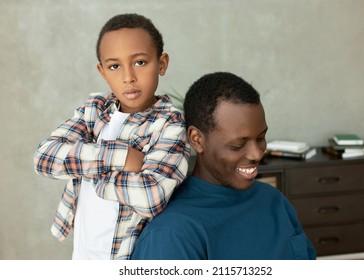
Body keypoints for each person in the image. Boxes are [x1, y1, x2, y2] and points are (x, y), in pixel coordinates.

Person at [33, 13, 190, 260]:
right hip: (83, 255)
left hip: (125, 258)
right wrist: (123, 156)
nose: (128, 76)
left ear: (162, 63)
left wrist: (88, 170)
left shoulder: (169, 123)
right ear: (103, 72)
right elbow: (44, 158)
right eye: (114, 66)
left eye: (139, 62)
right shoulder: (95, 109)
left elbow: (151, 197)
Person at [131, 72, 316, 260]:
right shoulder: (170, 235)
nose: (257, 154)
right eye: (238, 144)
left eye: (260, 138)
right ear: (197, 140)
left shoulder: (274, 201)